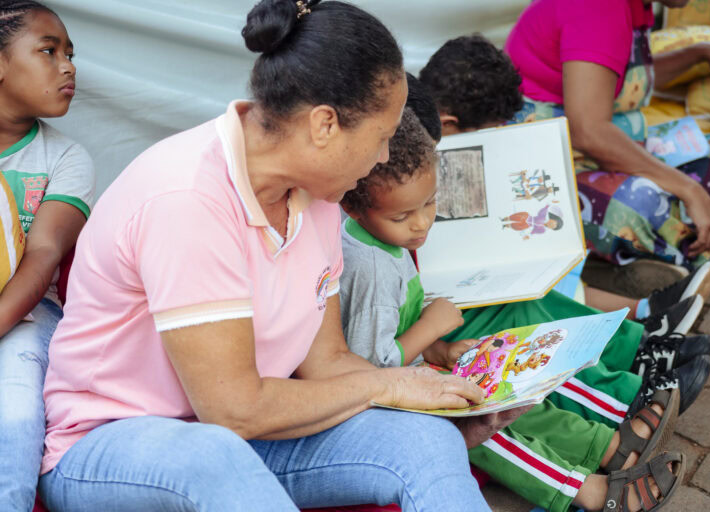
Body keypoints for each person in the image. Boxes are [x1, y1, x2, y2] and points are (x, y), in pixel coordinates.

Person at [38, 2, 509, 511]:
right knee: (214, 454)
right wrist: (391, 384)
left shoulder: (318, 198)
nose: (381, 158)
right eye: (381, 137)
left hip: (242, 440)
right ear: (325, 124)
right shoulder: (187, 198)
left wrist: (438, 404)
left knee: (425, 440)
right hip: (108, 446)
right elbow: (233, 410)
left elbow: (325, 362)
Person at [338, 107, 689, 512]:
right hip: (384, 395)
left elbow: (387, 337)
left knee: (509, 369)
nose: (421, 225)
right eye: (403, 215)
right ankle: (588, 492)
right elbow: (371, 366)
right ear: (353, 206)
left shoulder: (386, 241)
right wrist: (431, 328)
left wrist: (441, 351)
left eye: (429, 204)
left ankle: (612, 443)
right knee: (479, 425)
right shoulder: (370, 269)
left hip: (416, 369)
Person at [419, 34, 710, 337]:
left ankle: (642, 308)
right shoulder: (413, 157)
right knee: (523, 293)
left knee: (537, 264)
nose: (498, 136)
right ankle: (640, 318)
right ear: (448, 124)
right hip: (446, 289)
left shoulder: (438, 131)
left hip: (483, 266)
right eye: (491, 132)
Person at [501, 0, 710, 274]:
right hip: (547, 172)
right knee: (640, 203)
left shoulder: (632, 6)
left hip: (604, 153)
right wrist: (689, 190)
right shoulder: (597, 7)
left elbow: (619, 74)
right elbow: (588, 132)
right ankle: (653, 270)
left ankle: (662, 256)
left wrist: (702, 53)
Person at [0, 2, 95, 510]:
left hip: (28, 316)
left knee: (15, 407)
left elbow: (43, 257)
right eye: (48, 50)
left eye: (70, 54)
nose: (68, 66)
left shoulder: (65, 159)